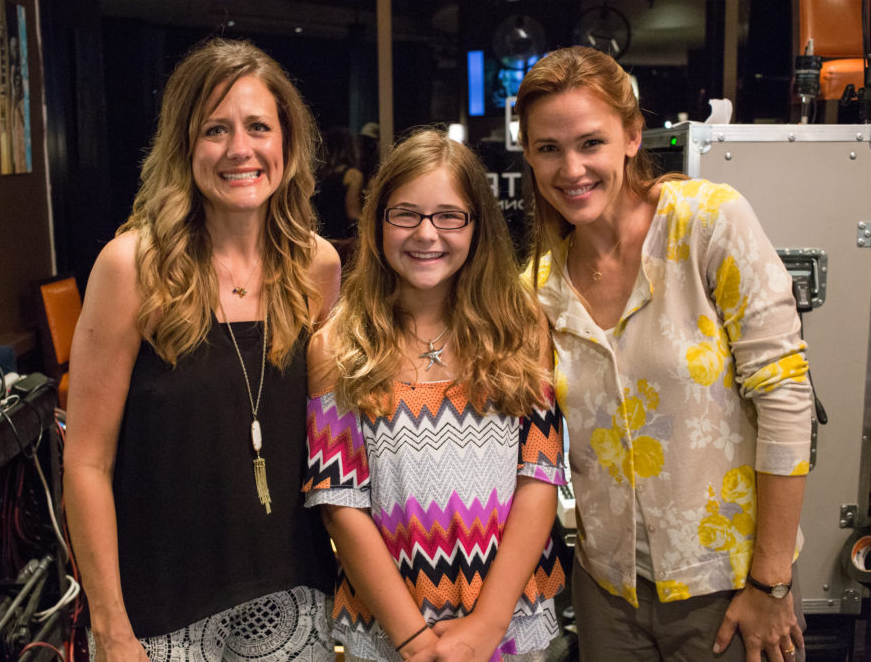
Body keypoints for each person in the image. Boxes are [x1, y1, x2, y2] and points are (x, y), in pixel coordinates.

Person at [515, 46, 811, 661]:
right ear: (529, 157)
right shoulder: (539, 286)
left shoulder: (707, 223)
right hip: (606, 592)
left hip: (729, 588)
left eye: (590, 142)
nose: (571, 168)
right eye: (548, 148)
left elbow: (786, 400)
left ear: (631, 136)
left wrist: (771, 580)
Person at [63, 38, 341, 661]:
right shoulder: (132, 268)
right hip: (159, 617)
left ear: (287, 143)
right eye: (215, 129)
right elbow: (85, 464)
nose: (240, 149)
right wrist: (111, 631)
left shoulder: (317, 267)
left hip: (296, 601)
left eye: (258, 127)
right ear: (184, 146)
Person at [303, 128, 566, 661]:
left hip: (509, 619)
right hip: (391, 630)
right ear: (378, 222)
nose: (427, 234)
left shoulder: (519, 325)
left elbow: (539, 474)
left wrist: (488, 623)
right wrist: (417, 643)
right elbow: (339, 504)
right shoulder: (339, 344)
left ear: (478, 227)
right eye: (406, 214)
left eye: (449, 216)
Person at [314, 126, 365, 267]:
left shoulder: (319, 176)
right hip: (343, 244)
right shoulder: (353, 175)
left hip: (321, 241)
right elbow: (352, 212)